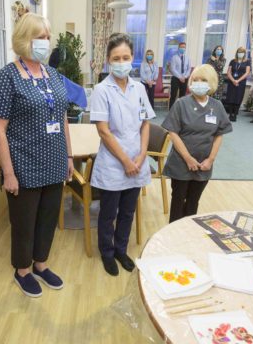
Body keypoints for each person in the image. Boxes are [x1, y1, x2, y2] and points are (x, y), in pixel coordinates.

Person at [0, 13, 72, 298]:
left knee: (47, 219)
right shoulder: (6, 78)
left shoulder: (53, 75)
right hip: (24, 165)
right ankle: (22, 270)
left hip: (55, 161)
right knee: (24, 223)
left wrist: (69, 157)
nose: (46, 42)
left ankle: (41, 264)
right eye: (40, 37)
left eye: (48, 37)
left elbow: (63, 117)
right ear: (24, 39)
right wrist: (8, 173)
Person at [89, 33, 155, 276]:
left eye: (125, 57)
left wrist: (141, 156)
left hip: (137, 162)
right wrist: (126, 161)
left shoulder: (138, 88)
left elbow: (146, 123)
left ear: (132, 58)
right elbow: (104, 132)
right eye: (116, 58)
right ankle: (107, 253)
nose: (121, 62)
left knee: (128, 211)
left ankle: (120, 250)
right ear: (108, 60)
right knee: (108, 213)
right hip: (114, 164)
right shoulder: (101, 90)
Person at [162, 64, 233, 223]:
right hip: (181, 164)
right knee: (178, 202)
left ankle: (189, 235)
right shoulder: (181, 104)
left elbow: (219, 134)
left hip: (204, 165)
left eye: (203, 80)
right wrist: (187, 158)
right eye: (195, 79)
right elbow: (173, 133)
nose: (198, 83)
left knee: (193, 202)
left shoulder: (217, 106)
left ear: (211, 83)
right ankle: (173, 236)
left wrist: (210, 160)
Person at [224, 47, 251, 121]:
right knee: (231, 97)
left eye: (242, 52)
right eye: (239, 52)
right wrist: (233, 80)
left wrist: (238, 81)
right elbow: (229, 72)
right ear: (237, 53)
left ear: (244, 54)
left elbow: (247, 72)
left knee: (238, 98)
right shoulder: (233, 61)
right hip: (232, 82)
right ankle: (230, 114)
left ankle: (235, 114)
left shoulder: (247, 61)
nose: (240, 54)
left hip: (241, 82)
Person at [169, 42, 191, 108]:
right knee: (173, 95)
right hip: (175, 78)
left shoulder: (187, 58)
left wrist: (184, 76)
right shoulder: (174, 57)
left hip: (185, 79)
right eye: (181, 47)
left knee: (182, 96)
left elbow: (189, 68)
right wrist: (180, 77)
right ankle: (171, 110)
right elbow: (173, 69)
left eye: (184, 47)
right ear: (178, 48)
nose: (183, 48)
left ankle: (180, 110)